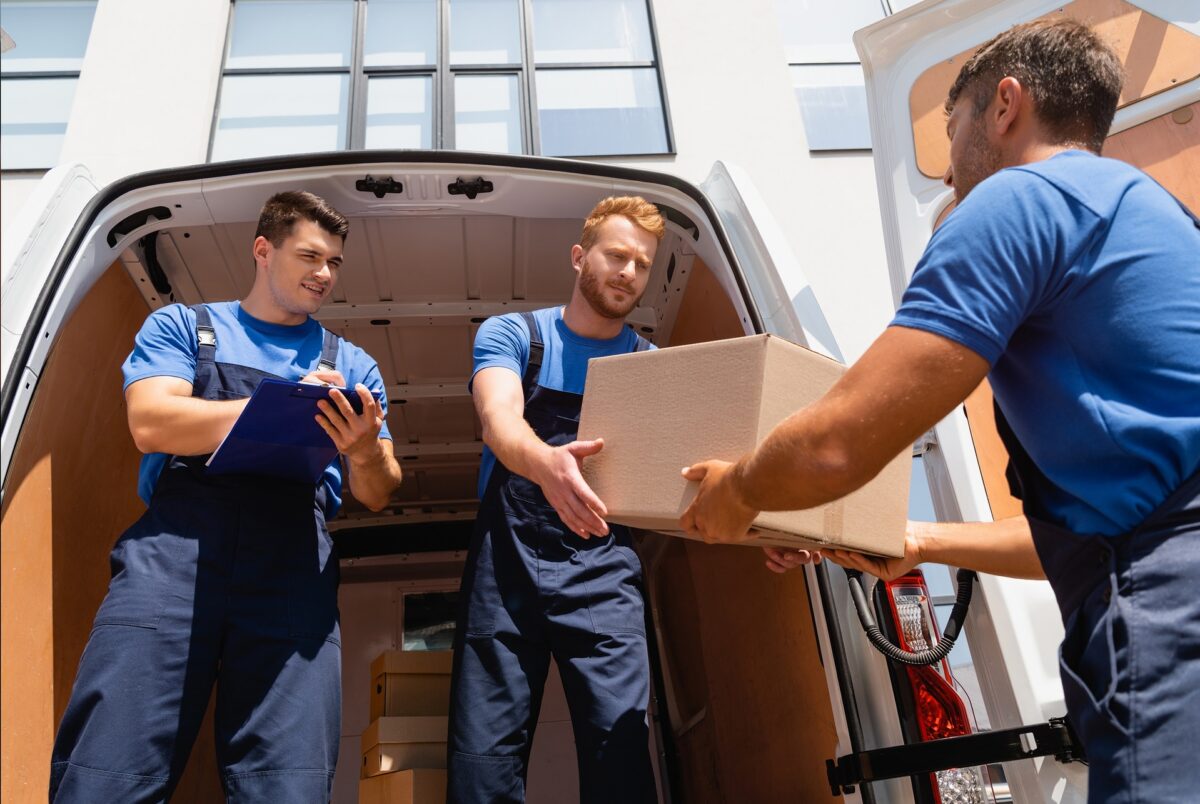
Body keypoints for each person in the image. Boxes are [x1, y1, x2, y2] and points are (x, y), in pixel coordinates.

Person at [679, 19, 1199, 803]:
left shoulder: (1017, 199)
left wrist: (738, 494)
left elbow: (839, 442)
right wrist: (919, 537)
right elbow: (1112, 528)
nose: (952, 169)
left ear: (1004, 107)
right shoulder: (1153, 216)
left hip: (1170, 624)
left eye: (951, 129)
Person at [49, 191, 403, 802]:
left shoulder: (352, 362)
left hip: (292, 565)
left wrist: (365, 448)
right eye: (310, 256)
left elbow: (378, 490)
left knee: (287, 783)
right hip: (175, 557)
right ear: (263, 250)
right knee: (108, 765)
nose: (325, 274)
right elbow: (152, 422)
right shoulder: (186, 326)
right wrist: (283, 404)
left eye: (335, 263)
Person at [447, 196, 663, 803]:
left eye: (642, 264)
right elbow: (498, 420)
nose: (628, 272)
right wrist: (545, 463)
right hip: (505, 573)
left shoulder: (651, 367)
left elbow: (690, 476)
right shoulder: (516, 334)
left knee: (620, 752)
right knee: (482, 759)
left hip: (602, 575)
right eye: (617, 255)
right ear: (579, 257)